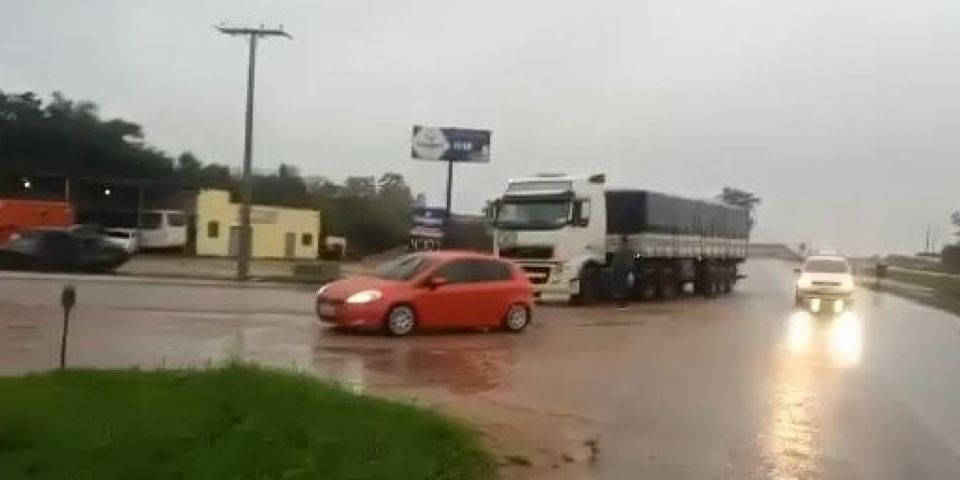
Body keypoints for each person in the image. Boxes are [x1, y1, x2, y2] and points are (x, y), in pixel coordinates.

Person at [612, 235, 634, 309]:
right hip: (626, 270)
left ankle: (620, 303)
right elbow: (632, 260)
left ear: (621, 241)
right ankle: (624, 303)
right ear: (627, 241)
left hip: (619, 270)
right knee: (626, 286)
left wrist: (614, 270)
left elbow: (615, 261)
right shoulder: (630, 250)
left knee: (619, 286)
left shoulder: (618, 250)